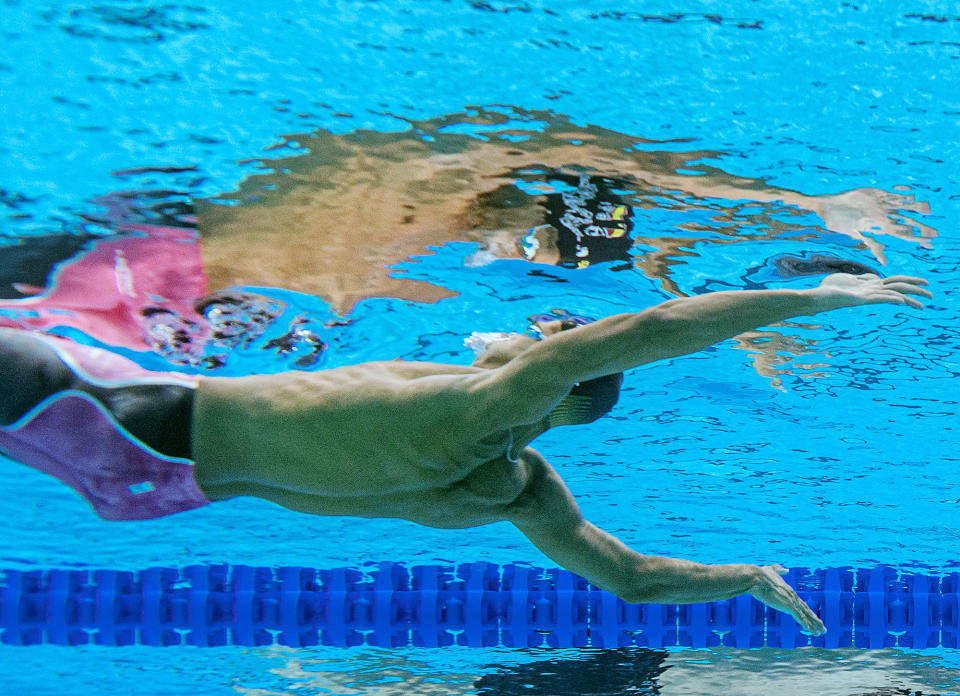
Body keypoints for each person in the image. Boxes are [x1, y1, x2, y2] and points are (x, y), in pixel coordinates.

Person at [0, 272, 932, 634]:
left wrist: (817, 295)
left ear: (551, 378)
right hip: (156, 490)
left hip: (131, 418)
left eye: (535, 343)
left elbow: (650, 328)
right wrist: (744, 578)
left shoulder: (483, 397)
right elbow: (632, 580)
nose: (511, 339)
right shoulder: (520, 486)